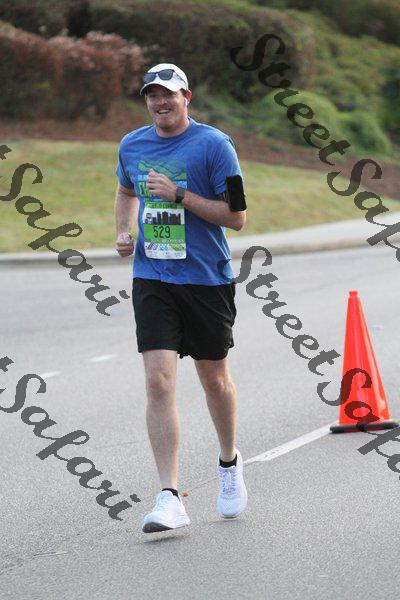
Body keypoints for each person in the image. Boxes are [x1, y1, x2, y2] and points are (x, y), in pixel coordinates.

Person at [114, 63, 247, 533]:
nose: (160, 102)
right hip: (153, 276)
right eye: (152, 95)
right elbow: (125, 190)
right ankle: (169, 496)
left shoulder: (215, 145)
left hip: (207, 280)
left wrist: (178, 194)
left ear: (186, 97)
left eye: (168, 94)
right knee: (158, 382)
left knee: (214, 380)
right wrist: (123, 230)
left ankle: (228, 462)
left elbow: (236, 218)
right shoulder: (132, 145)